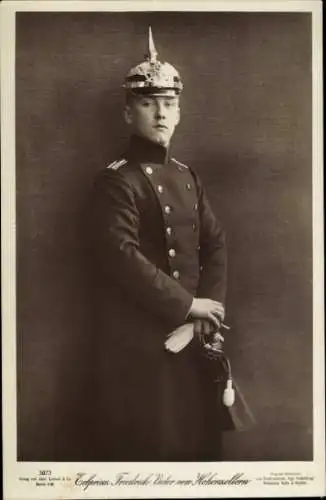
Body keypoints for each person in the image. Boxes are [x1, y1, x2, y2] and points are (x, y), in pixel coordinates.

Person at [90, 27, 233, 462]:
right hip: (141, 347)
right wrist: (188, 306)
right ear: (128, 112)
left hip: (194, 338)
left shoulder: (188, 176)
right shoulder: (117, 179)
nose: (161, 115)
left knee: (199, 451)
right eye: (149, 103)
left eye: (169, 104)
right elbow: (120, 257)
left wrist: (208, 310)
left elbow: (216, 245)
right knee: (152, 451)